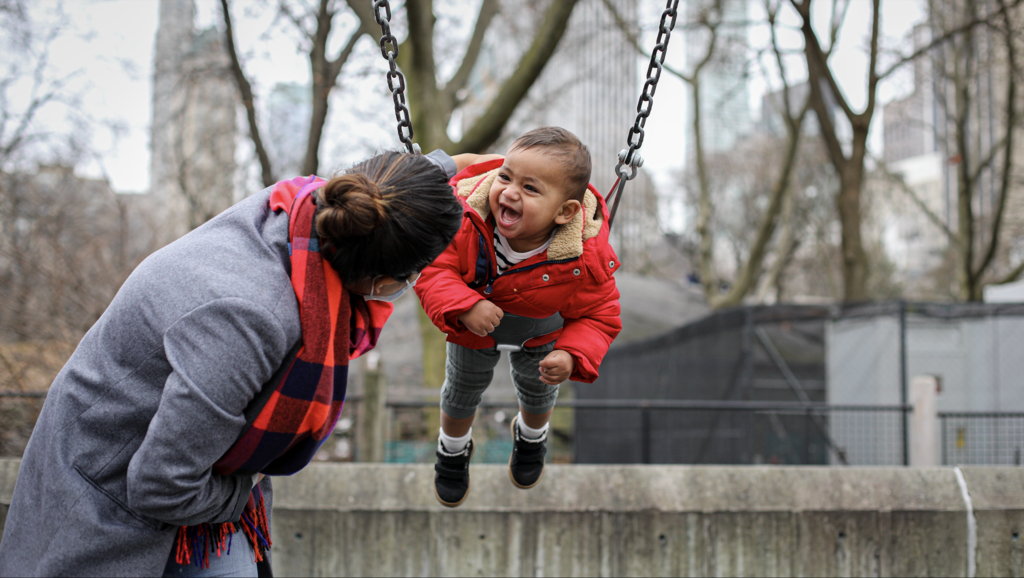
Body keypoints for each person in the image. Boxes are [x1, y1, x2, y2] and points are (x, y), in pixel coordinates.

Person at [0, 150, 469, 577]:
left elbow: (393, 191)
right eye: (412, 277)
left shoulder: (304, 206)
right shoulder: (249, 319)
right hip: (112, 503)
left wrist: (466, 163)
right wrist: (246, 487)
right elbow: (162, 486)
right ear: (381, 280)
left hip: (167, 461)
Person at [415, 127, 622, 507]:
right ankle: (452, 449)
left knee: (540, 390)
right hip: (473, 325)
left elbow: (600, 314)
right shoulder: (465, 219)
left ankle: (531, 437)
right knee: (461, 390)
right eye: (505, 177)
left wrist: (571, 353)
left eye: (529, 188)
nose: (509, 192)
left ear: (564, 212)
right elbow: (433, 268)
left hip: (542, 330)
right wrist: (464, 305)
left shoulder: (582, 256)